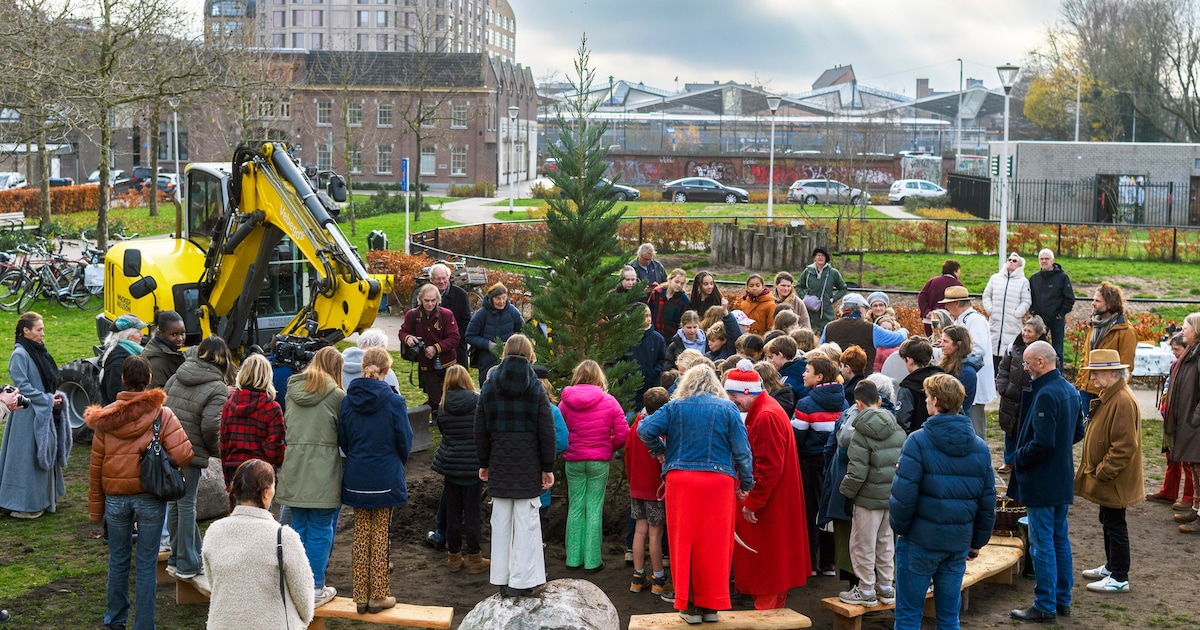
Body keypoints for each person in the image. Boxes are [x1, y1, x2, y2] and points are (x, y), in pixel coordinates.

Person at [637, 365, 753, 624]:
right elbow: (743, 451)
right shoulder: (728, 408)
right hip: (718, 482)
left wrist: (661, 452)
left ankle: (689, 606)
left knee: (683, 543)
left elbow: (644, 430)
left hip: (681, 481)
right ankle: (711, 606)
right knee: (715, 545)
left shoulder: (675, 406)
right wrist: (747, 482)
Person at [86, 356, 194, 630]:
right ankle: (144, 625)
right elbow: (184, 454)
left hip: (115, 499)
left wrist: (95, 510)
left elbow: (96, 466)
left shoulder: (105, 419)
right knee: (146, 564)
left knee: (118, 560)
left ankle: (114, 620)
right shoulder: (162, 414)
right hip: (150, 496)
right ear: (148, 379)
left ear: (122, 380)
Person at [890, 373, 996, 629]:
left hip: (919, 541)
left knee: (908, 615)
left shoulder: (917, 441)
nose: (926, 401)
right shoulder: (980, 447)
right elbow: (987, 500)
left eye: (926, 397)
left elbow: (903, 496)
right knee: (949, 616)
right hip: (957, 543)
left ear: (935, 401)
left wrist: (902, 530)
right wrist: (977, 542)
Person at [474, 334, 556, 598]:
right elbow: (547, 430)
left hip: (499, 460)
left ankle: (502, 577)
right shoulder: (535, 388)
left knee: (500, 522)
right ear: (530, 355)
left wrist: (484, 462)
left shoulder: (489, 386)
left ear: (505, 353)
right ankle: (523, 580)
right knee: (527, 524)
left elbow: (480, 429)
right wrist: (547, 466)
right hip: (528, 463)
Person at [724, 360, 808, 610]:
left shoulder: (765, 417)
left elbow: (767, 468)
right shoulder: (767, 410)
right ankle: (773, 612)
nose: (731, 400)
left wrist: (752, 503)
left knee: (766, 566)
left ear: (747, 391)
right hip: (777, 500)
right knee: (775, 566)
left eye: (733, 394)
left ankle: (767, 615)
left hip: (769, 505)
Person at [1009, 340, 1083, 623]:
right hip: (1061, 478)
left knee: (1042, 544)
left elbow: (1042, 441)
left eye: (1027, 363)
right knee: (1059, 539)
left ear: (1041, 362)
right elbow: (1077, 432)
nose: (1025, 368)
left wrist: (1019, 457)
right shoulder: (1070, 391)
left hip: (1041, 481)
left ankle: (1045, 605)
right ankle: (1062, 600)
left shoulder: (1046, 395)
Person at [339, 346, 412, 613]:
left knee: (361, 533)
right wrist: (395, 461)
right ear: (388, 370)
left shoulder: (347, 400)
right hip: (385, 473)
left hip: (357, 473)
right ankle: (378, 594)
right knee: (380, 533)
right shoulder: (394, 401)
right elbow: (405, 440)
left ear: (363, 367)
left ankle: (360, 595)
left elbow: (343, 440)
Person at [203, 459, 315, 630]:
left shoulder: (213, 531)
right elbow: (304, 598)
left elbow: (215, 584)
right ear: (266, 492)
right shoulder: (283, 537)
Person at [275, 346, 345, 607]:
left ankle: (295, 584)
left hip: (293, 466)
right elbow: (343, 433)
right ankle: (315, 587)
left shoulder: (292, 391)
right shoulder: (337, 396)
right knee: (320, 529)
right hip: (323, 469)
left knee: (298, 528)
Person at [163, 335, 233, 581]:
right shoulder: (217, 387)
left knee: (174, 503)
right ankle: (187, 563)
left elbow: (162, 408)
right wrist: (218, 453)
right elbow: (212, 427)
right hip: (189, 453)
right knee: (186, 504)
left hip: (168, 448)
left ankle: (176, 557)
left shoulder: (176, 375)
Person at [1074, 348, 1142, 593]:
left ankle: (1119, 576)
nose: (1092, 379)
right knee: (1109, 519)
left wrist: (1103, 471)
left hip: (1114, 479)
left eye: (1096, 374)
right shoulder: (1112, 394)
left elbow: (1124, 446)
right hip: (1111, 478)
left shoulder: (1122, 400)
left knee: (1115, 523)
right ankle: (1112, 567)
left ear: (1112, 373)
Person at [837, 379, 904, 608]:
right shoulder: (897, 428)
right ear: (879, 400)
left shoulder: (860, 432)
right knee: (886, 542)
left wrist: (846, 493)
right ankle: (886, 587)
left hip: (866, 499)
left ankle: (866, 589)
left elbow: (856, 472)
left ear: (858, 404)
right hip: (890, 497)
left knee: (862, 545)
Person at [559, 359, 628, 571]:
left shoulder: (565, 403)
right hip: (598, 460)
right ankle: (592, 560)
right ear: (599, 377)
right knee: (594, 507)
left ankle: (573, 558)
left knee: (576, 506)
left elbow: (559, 431)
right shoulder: (609, 401)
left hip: (574, 460)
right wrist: (609, 447)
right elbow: (623, 433)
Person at [0, 312, 68, 519]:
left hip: (40, 411)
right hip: (26, 415)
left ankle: (41, 500)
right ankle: (23, 504)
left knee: (39, 456)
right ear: (26, 331)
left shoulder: (37, 349)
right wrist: (47, 399)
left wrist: (50, 397)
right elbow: (23, 387)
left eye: (42, 329)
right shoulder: (20, 354)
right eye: (39, 329)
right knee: (26, 460)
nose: (42, 333)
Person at [792, 355, 848, 577]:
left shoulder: (806, 404)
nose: (803, 374)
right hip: (835, 464)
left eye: (807, 370)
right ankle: (829, 562)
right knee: (830, 508)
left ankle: (809, 563)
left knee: (810, 512)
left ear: (820, 376)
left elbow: (797, 439)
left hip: (811, 465)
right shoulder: (843, 403)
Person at [431, 365, 489, 574]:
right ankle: (475, 558)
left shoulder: (443, 405)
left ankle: (454, 558)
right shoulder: (478, 402)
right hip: (472, 466)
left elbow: (442, 431)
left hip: (451, 466)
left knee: (453, 513)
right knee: (473, 514)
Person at [626, 387, 671, 598]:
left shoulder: (635, 426)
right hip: (656, 490)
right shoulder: (660, 432)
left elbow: (627, 455)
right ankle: (659, 579)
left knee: (639, 531)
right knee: (655, 534)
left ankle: (637, 576)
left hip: (637, 487)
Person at [938, 285, 997, 439]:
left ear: (957, 303)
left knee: (975, 424)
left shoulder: (975, 320)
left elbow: (978, 350)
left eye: (948, 303)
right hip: (964, 375)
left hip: (973, 377)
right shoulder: (962, 319)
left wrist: (957, 361)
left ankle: (980, 457)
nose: (946, 306)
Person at [219, 354, 285, 489]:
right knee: (261, 510)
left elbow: (224, 444)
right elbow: (274, 447)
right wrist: (276, 464)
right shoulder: (272, 408)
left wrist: (226, 478)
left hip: (234, 468)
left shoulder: (229, 405)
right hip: (261, 470)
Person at [1075, 282, 1137, 416]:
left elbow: (1126, 367)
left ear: (1109, 304)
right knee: (1089, 432)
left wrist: (1116, 393)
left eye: (1097, 301)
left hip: (1107, 391)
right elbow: (1086, 356)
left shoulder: (1126, 331)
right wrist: (1080, 383)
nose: (1093, 303)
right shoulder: (1094, 325)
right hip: (1086, 389)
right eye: (1093, 299)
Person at [996, 317, 1048, 474]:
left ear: (1038, 334)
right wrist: (1003, 388)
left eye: (1029, 331)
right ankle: (1009, 461)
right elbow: (1003, 368)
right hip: (1011, 397)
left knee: (1028, 431)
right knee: (1010, 430)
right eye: (1024, 329)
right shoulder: (1013, 348)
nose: (1025, 333)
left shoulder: (1045, 351)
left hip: (1032, 398)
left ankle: (1024, 461)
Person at [1147, 333, 1194, 508]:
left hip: (1185, 419)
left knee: (1188, 460)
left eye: (1177, 349)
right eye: (1172, 349)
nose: (1174, 352)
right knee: (1171, 456)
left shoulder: (1192, 366)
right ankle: (1169, 491)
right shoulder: (1176, 365)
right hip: (1172, 419)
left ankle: (1189, 497)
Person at [400, 283, 461, 415]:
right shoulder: (413, 315)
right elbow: (403, 332)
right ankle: (430, 415)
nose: (430, 304)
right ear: (421, 299)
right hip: (426, 364)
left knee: (452, 395)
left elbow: (454, 338)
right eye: (426, 301)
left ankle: (447, 417)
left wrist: (436, 348)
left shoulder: (446, 315)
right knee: (435, 398)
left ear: (438, 300)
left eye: (433, 300)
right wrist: (408, 338)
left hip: (447, 362)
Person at [1166, 313, 1200, 531]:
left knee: (1199, 468)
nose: (1182, 331)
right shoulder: (1192, 352)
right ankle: (1197, 510)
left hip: (1195, 423)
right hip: (1190, 421)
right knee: (1195, 469)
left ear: (1196, 330)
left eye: (1186, 327)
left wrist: (1195, 418)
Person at [821, 293, 908, 374]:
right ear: (861, 310)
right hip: (863, 381)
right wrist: (904, 330)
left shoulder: (829, 327)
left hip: (836, 378)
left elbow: (820, 351)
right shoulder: (871, 329)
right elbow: (897, 339)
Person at [465, 282, 524, 383]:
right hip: (487, 359)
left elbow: (523, 331)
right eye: (498, 298)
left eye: (504, 298)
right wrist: (488, 345)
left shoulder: (512, 312)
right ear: (491, 298)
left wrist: (513, 343)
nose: (501, 301)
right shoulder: (481, 314)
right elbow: (469, 336)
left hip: (510, 357)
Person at [982, 253, 1032, 371]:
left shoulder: (1023, 282)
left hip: (1012, 324)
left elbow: (1026, 301)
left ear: (1020, 265)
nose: (1011, 262)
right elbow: (986, 295)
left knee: (1008, 355)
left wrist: (1017, 314)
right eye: (1009, 259)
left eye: (1015, 261)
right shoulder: (995, 278)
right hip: (995, 323)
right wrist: (990, 310)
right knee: (992, 354)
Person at [1028, 249, 1076, 363]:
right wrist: (1033, 312)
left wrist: (1061, 314)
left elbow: (1069, 298)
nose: (1044, 261)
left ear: (1053, 260)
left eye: (1047, 259)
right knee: (1037, 349)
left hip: (1056, 319)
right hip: (1039, 320)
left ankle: (1058, 375)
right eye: (1041, 259)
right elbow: (1029, 297)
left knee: (1057, 350)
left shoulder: (1062, 277)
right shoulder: (1034, 279)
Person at [893, 337, 945, 434]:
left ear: (909, 360)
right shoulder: (945, 381)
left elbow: (902, 420)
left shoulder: (908, 388)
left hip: (919, 440)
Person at [628, 303, 671, 411]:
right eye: (644, 316)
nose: (648, 319)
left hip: (650, 387)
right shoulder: (626, 338)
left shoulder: (658, 339)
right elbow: (618, 360)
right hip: (629, 391)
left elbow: (661, 360)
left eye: (649, 315)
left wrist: (653, 373)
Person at [429, 263, 472, 367]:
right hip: (432, 350)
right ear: (431, 279)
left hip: (456, 349)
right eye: (438, 279)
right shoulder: (426, 295)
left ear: (448, 278)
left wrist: (453, 340)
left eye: (444, 278)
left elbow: (466, 322)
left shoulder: (460, 295)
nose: (442, 281)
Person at [99, 315, 148, 406]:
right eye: (138, 331)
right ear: (127, 335)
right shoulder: (118, 362)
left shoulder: (126, 352)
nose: (142, 334)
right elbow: (115, 395)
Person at [799, 246, 847, 334]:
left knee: (828, 333)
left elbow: (843, 288)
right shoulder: (808, 272)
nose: (820, 257)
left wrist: (833, 299)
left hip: (826, 311)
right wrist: (804, 298)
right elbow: (799, 286)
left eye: (823, 255)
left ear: (826, 258)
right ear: (814, 257)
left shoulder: (833, 273)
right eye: (818, 255)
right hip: (810, 311)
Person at [937, 325, 977, 415]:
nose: (941, 345)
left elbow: (952, 401)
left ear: (958, 344)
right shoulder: (946, 363)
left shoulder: (967, 372)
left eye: (945, 341)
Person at [917, 259, 963, 336]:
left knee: (932, 340)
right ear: (955, 271)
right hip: (949, 321)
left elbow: (921, 297)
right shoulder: (958, 285)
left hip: (930, 319)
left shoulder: (932, 281)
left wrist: (926, 311)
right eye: (959, 271)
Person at [143, 310, 186, 390]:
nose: (180, 338)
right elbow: (156, 397)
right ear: (160, 333)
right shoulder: (157, 363)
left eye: (182, 333)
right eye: (174, 334)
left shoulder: (171, 354)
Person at [648, 269, 691, 340]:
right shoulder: (657, 292)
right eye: (676, 282)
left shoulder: (683, 299)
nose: (679, 285)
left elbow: (683, 320)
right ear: (670, 279)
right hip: (654, 333)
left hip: (671, 336)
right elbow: (649, 310)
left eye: (682, 283)